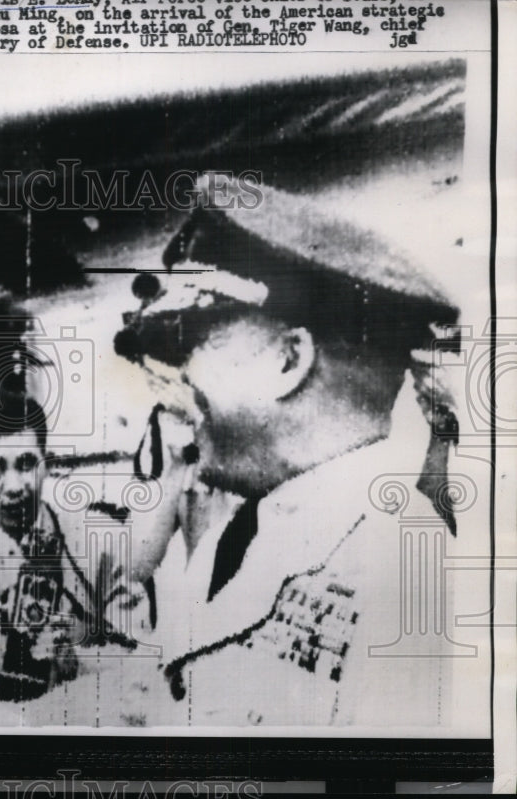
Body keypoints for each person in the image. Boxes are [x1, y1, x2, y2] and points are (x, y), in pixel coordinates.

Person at [106, 177, 462, 726]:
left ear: (289, 359)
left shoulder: (406, 572)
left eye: (190, 348)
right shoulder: (236, 537)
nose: (175, 386)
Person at [0, 391, 149, 720]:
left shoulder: (101, 545)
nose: (14, 485)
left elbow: (143, 670)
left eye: (26, 464)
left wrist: (77, 657)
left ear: (47, 461)